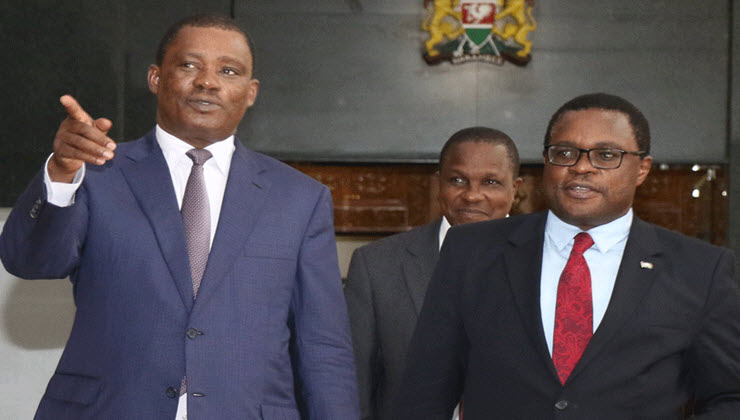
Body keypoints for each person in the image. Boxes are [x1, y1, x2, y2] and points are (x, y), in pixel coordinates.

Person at [0, 13, 359, 420]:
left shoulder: (299, 198)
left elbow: (323, 345)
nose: (208, 81)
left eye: (229, 70)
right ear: (156, 78)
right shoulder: (97, 172)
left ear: (251, 91)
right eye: (190, 65)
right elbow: (28, 261)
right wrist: (62, 172)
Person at [394, 93, 740, 419]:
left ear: (642, 169)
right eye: (565, 153)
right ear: (546, 161)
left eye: (606, 155)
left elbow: (730, 396)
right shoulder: (471, 251)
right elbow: (424, 391)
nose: (581, 168)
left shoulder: (699, 270)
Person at [344, 127, 522, 420]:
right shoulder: (376, 266)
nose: (472, 195)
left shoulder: (553, 263)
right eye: (457, 180)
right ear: (438, 184)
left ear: (515, 189)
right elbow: (354, 386)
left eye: (490, 182)